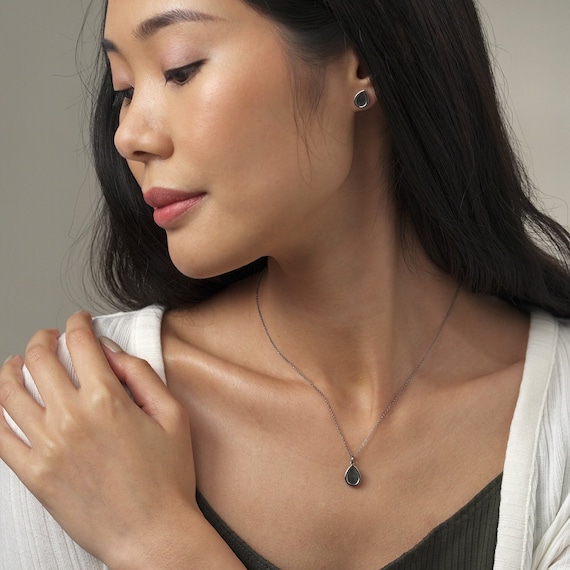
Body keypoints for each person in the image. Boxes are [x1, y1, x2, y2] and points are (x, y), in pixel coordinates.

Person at [0, 0, 569, 568]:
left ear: (363, 62)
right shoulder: (74, 416)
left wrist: (155, 539)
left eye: (179, 69)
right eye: (123, 90)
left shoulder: (557, 416)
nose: (128, 136)